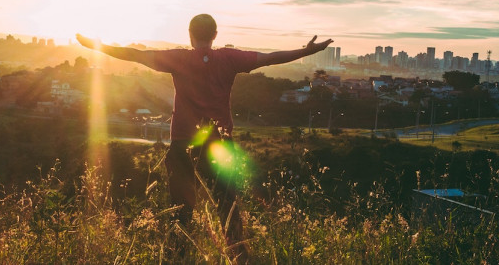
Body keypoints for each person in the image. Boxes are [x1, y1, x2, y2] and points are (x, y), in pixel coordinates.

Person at [76, 14, 332, 262]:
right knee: (227, 206)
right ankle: (239, 259)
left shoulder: (178, 58)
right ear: (215, 35)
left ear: (190, 35)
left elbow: (134, 54)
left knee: (181, 210)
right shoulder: (229, 58)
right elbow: (269, 58)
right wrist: (306, 51)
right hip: (219, 143)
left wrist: (95, 46)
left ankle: (179, 257)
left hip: (183, 143)